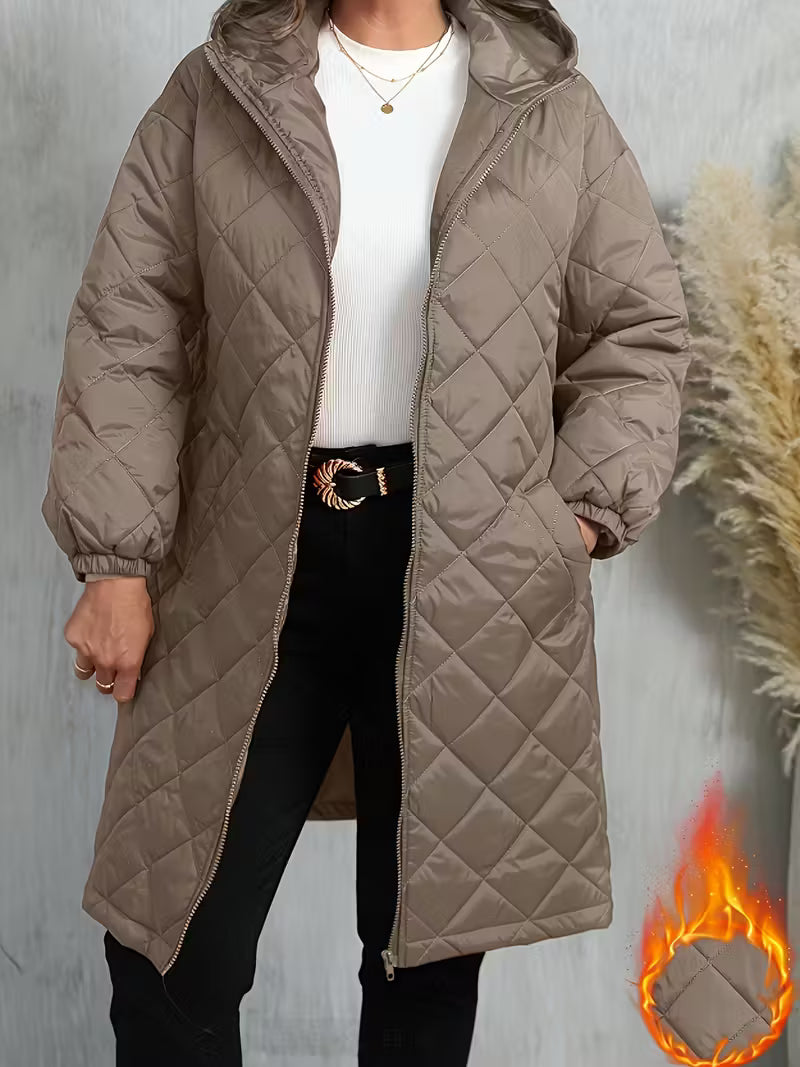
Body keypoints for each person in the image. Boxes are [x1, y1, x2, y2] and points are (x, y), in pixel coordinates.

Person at [40, 0, 691, 1063]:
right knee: (170, 949)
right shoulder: (220, 89)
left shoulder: (550, 109)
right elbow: (129, 324)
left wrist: (569, 520)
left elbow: (638, 331)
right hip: (253, 560)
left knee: (423, 952)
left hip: (469, 572)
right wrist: (115, 559)